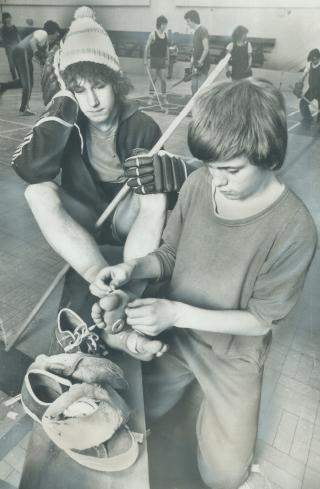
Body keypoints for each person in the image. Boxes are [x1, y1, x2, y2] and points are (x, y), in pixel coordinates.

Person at [90, 79, 317, 489]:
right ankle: (183, 395)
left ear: (269, 156)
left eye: (230, 170)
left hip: (233, 356)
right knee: (132, 416)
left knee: (224, 476)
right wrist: (132, 269)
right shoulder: (198, 185)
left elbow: (261, 321)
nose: (217, 181)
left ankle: (206, 408)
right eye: (211, 167)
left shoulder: (294, 228)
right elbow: (170, 254)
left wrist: (174, 312)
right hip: (174, 337)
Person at [11, 8, 192, 359]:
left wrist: (174, 173)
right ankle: (97, 276)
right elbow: (30, 169)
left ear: (116, 82)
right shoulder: (69, 119)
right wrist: (63, 104)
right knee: (37, 191)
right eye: (79, 91)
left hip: (128, 218)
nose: (91, 100)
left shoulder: (141, 126)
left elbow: (166, 198)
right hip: (88, 217)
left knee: (153, 190)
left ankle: (124, 286)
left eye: (100, 86)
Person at [0, 28, 48, 115]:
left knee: (25, 82)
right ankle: (24, 108)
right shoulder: (43, 33)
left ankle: (3, 86)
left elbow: (41, 60)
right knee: (28, 83)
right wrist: (38, 54)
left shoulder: (46, 44)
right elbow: (32, 42)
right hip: (22, 52)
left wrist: (42, 65)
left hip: (23, 54)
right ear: (53, 32)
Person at [144, 15, 169, 104]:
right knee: (153, 79)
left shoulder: (166, 34)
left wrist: (167, 59)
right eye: (163, 24)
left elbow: (166, 49)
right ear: (159, 24)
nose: (165, 26)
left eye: (166, 24)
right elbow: (146, 47)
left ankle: (164, 97)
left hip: (162, 60)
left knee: (163, 80)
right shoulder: (153, 34)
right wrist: (145, 59)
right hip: (154, 59)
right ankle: (151, 98)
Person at [184, 10, 210, 94]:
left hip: (203, 65)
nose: (187, 23)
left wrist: (201, 61)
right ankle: (194, 106)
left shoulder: (203, 30)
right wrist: (190, 64)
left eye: (188, 21)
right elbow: (195, 50)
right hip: (196, 65)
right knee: (193, 88)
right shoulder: (195, 32)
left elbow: (206, 48)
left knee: (201, 90)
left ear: (193, 19)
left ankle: (202, 106)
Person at [299, 48, 320, 124]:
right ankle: (308, 118)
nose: (313, 61)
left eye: (315, 59)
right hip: (312, 89)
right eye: (312, 60)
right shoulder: (309, 64)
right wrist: (299, 84)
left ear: (319, 57)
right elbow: (303, 75)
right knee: (303, 103)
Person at [1, 12, 20, 80]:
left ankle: (21, 77)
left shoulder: (14, 27)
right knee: (12, 64)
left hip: (16, 47)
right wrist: (9, 45)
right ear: (4, 19)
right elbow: (4, 39)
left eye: (9, 17)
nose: (8, 19)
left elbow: (18, 36)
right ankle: (14, 77)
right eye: (6, 18)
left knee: (18, 63)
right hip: (9, 48)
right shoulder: (3, 29)